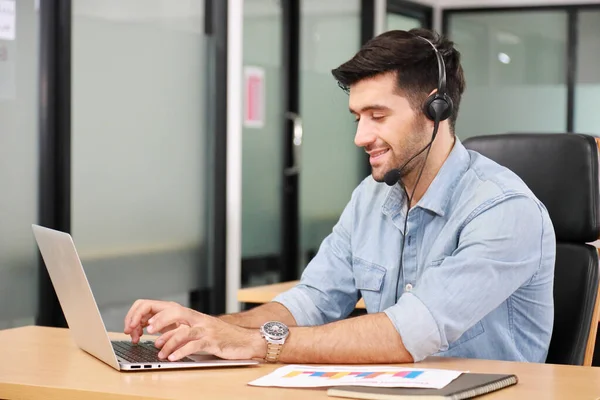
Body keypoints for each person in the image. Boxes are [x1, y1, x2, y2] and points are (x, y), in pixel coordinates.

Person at [124, 28, 555, 365]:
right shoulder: (371, 198)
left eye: (378, 116)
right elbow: (311, 301)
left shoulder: (504, 211)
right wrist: (209, 329)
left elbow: (408, 335)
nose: (360, 136)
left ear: (435, 110)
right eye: (357, 117)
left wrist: (253, 344)